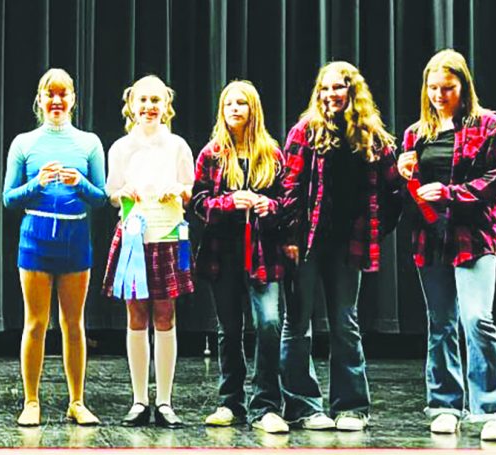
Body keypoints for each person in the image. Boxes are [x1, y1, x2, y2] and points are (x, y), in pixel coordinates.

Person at [397, 49, 496, 441]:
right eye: (432, 88)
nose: (439, 95)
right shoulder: (416, 133)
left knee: (477, 319)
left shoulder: (487, 125)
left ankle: (491, 408)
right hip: (431, 240)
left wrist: (449, 193)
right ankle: (446, 404)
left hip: (474, 237)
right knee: (441, 324)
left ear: (463, 86)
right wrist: (402, 173)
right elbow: (407, 193)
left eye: (447, 87)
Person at [279, 61, 400, 431]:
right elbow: (289, 188)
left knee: (345, 323)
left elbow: (394, 190)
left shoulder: (372, 137)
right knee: (297, 323)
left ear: (353, 92)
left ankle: (351, 407)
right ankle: (302, 406)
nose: (331, 94)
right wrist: (288, 236)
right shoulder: (305, 132)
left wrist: (376, 231)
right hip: (307, 243)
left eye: (339, 87)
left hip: (349, 245)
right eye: (325, 88)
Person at [3, 68, 108, 426]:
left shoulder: (90, 143)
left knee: (74, 324)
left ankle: (76, 401)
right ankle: (31, 401)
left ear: (74, 99)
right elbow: (8, 198)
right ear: (40, 99)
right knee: (35, 324)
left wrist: (79, 183)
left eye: (64, 94)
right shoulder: (24, 143)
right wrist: (36, 183)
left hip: (75, 240)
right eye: (51, 94)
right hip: (34, 240)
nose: (57, 100)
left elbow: (102, 197)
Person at [193, 81, 288, 433]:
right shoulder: (212, 153)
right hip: (223, 254)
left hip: (264, 253)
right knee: (229, 329)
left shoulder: (273, 154)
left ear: (253, 110)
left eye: (242, 103)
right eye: (229, 103)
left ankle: (266, 405)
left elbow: (287, 203)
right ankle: (229, 402)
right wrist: (227, 202)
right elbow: (198, 202)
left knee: (268, 323)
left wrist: (270, 206)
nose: (235, 109)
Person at [101, 75, 194, 428]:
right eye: (143, 100)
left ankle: (166, 401)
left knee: (165, 315)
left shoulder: (178, 146)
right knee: (136, 316)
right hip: (133, 240)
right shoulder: (121, 147)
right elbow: (111, 192)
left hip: (168, 235)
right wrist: (126, 192)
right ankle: (140, 399)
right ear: (132, 105)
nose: (149, 106)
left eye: (156, 100)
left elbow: (189, 186)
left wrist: (179, 191)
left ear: (166, 106)